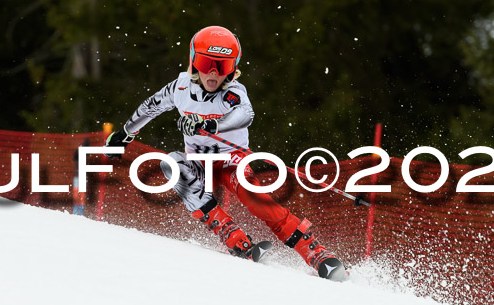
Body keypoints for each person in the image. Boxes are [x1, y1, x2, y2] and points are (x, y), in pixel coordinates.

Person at [105, 25, 347, 281]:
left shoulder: (232, 92)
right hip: (199, 164)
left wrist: (211, 124)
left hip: (232, 162)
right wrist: (125, 134)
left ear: (233, 68)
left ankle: (316, 253)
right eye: (206, 62)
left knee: (262, 207)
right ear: (193, 62)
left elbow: (245, 114)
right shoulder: (180, 88)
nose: (212, 72)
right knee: (171, 164)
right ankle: (230, 233)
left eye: (221, 66)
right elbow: (150, 106)